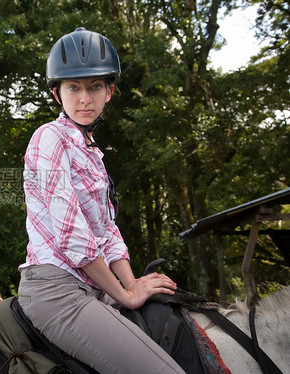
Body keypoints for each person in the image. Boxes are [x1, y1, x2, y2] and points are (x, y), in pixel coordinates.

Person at [17, 27, 185, 373]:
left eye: (95, 86)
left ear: (110, 91)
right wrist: (125, 294)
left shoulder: (92, 153)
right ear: (57, 94)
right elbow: (73, 235)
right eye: (73, 88)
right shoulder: (49, 138)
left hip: (93, 283)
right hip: (57, 289)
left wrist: (133, 281)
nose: (85, 99)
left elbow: (106, 231)